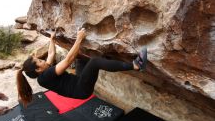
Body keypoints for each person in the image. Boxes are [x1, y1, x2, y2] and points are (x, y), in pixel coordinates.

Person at [16, 28, 147, 106]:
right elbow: (68, 60)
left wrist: (51, 39)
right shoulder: (45, 76)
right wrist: (79, 39)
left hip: (77, 82)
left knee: (82, 58)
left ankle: (106, 60)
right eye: (39, 61)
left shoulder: (43, 72)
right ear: (38, 70)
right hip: (81, 90)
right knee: (94, 62)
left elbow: (51, 53)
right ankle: (136, 65)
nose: (42, 60)